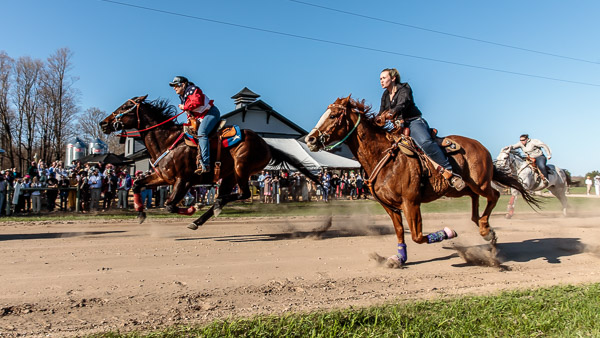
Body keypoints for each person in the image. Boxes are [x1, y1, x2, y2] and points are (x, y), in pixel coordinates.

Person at [371, 68, 465, 191]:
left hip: (413, 122)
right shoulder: (385, 95)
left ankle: (451, 173)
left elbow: (402, 104)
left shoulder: (404, 88)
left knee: (425, 143)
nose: (381, 81)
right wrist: (376, 120)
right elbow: (381, 111)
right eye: (380, 79)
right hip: (398, 127)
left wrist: (390, 113)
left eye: (383, 78)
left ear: (393, 78)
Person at [169, 76, 221, 175]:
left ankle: (205, 164)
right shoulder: (183, 97)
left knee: (202, 133)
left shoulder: (192, 89)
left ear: (183, 84)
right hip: (201, 117)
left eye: (176, 85)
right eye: (173, 86)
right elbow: (190, 113)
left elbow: (197, 102)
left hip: (210, 113)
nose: (174, 88)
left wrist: (184, 107)